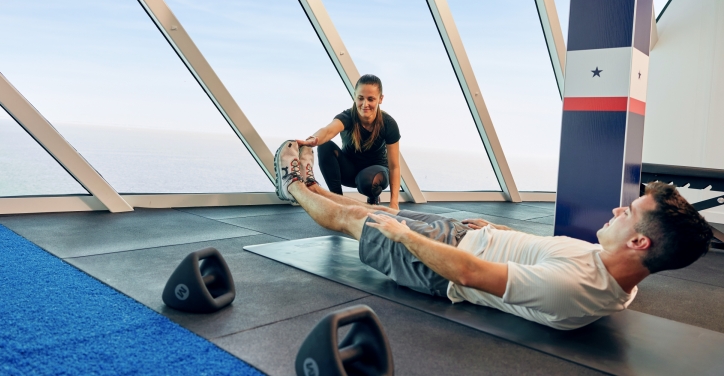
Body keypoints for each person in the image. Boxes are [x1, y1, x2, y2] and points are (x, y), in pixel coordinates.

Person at [273, 139, 713, 330]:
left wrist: (404, 235)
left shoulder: (576, 290)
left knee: (356, 222)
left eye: (630, 212)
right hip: (465, 236)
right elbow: (540, 253)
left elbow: (467, 274)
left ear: (640, 243)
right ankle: (312, 187)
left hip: (437, 263)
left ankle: (292, 183)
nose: (619, 209)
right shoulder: (620, 273)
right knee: (364, 208)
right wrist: (499, 228)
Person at [296, 74, 401, 209]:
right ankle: (337, 202)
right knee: (324, 146)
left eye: (371, 99)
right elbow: (328, 131)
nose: (365, 104)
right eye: (361, 98)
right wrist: (310, 140)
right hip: (349, 171)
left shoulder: (388, 124)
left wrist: (394, 203)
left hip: (375, 174)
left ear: (380, 99)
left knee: (368, 181)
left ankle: (373, 196)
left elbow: (394, 167)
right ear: (354, 96)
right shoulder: (347, 117)